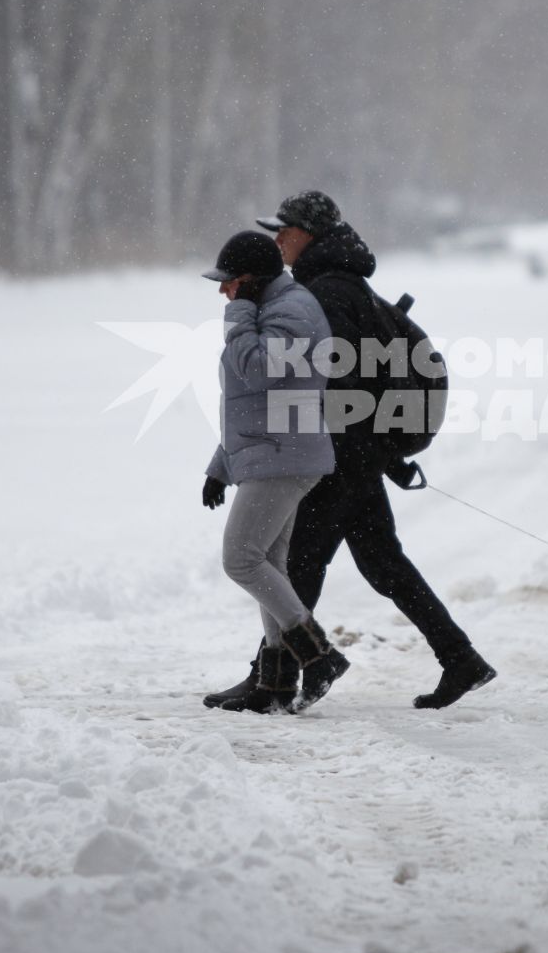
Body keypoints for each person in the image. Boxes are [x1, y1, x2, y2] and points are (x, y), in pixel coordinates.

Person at [205, 191, 497, 711]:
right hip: (352, 450)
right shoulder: (336, 285)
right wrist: (381, 447)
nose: (278, 241)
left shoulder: (326, 293)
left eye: (285, 230)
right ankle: (460, 658)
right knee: (382, 564)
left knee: (296, 564)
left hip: (337, 455)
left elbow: (331, 380)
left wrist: (365, 447)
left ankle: (280, 676)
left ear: (308, 236)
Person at [199, 230, 350, 714]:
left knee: (240, 559)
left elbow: (260, 371)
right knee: (270, 564)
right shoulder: (277, 308)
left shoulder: (292, 311)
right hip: (274, 449)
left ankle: (319, 655)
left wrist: (238, 316)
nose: (224, 291)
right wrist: (220, 466)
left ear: (251, 281)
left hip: (283, 453)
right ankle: (275, 684)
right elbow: (250, 402)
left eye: (231, 283)